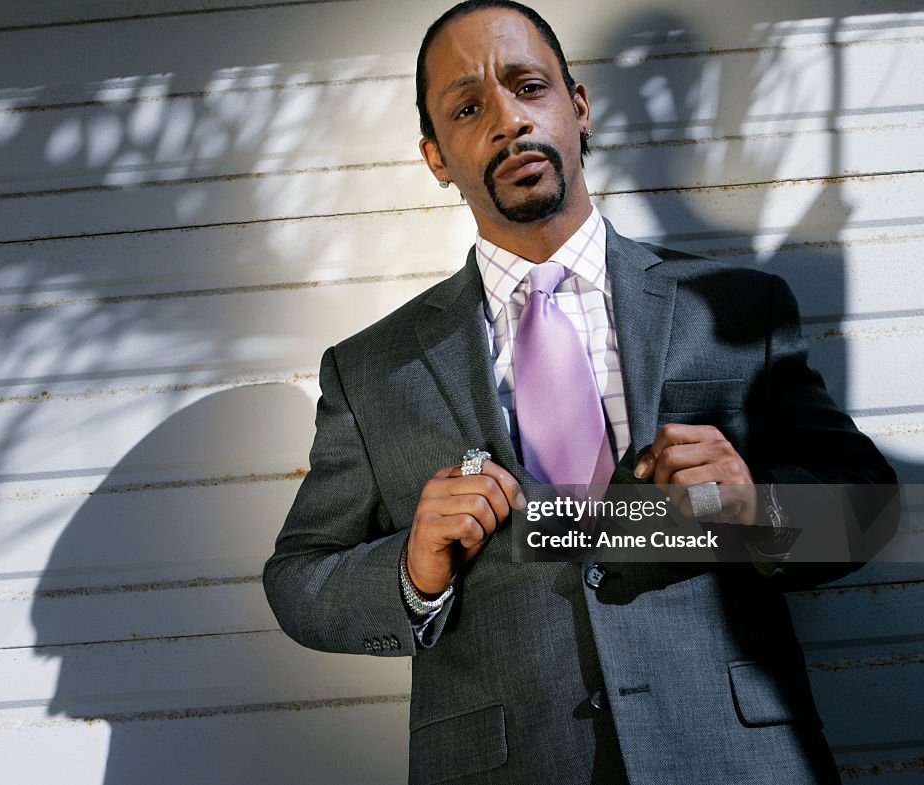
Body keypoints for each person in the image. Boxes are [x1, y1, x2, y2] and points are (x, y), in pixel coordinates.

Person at [263, 2, 897, 783]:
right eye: (468, 107)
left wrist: (750, 510)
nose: (507, 121)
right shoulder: (369, 371)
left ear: (578, 104)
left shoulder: (737, 307)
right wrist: (412, 569)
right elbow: (299, 580)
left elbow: (869, 507)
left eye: (529, 86)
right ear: (435, 156)